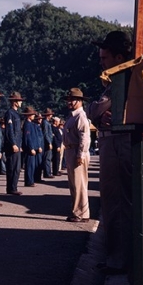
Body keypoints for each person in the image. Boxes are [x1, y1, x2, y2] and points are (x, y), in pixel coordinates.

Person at [88, 30, 135, 275]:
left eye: (105, 58)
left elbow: (97, 109)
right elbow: (95, 110)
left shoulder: (123, 80)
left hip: (118, 146)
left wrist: (96, 110)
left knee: (117, 202)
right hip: (114, 144)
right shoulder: (117, 80)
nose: (101, 63)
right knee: (113, 202)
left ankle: (119, 259)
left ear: (118, 57)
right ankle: (117, 256)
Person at [64, 88, 91, 222]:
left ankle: (80, 213)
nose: (69, 102)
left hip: (76, 151)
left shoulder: (80, 116)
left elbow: (84, 137)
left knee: (79, 183)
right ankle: (79, 211)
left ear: (79, 101)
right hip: (70, 150)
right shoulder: (73, 116)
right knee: (75, 184)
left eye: (72, 99)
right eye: (68, 99)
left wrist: (81, 154)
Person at [3, 91, 24, 196]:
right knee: (12, 166)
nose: (21, 103)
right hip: (13, 145)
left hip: (17, 144)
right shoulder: (10, 113)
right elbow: (10, 130)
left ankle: (13, 187)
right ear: (15, 102)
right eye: (19, 101)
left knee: (17, 167)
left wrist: (19, 144)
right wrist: (13, 143)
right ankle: (11, 188)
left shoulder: (16, 114)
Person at [21, 106, 40, 187]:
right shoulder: (27, 124)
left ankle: (31, 180)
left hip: (33, 148)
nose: (33, 116)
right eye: (32, 114)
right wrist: (31, 148)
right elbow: (27, 138)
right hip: (29, 149)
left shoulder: (31, 124)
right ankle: (28, 181)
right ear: (28, 115)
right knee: (29, 166)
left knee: (32, 165)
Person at [41, 108, 54, 179]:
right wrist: (49, 142)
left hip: (48, 141)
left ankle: (48, 172)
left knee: (48, 158)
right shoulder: (45, 123)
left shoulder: (46, 122)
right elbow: (45, 134)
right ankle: (47, 173)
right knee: (47, 158)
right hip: (47, 143)